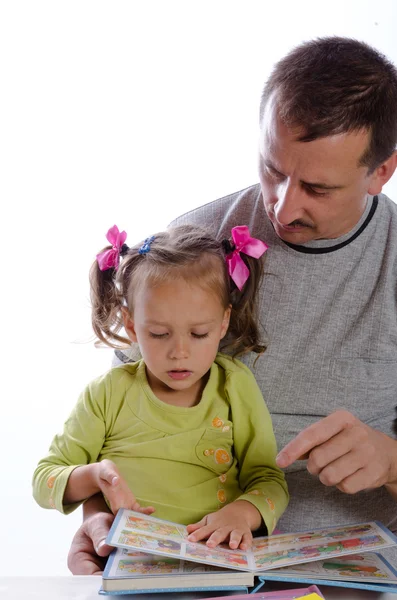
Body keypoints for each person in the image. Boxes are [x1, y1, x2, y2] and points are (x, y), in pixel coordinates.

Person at [67, 35, 397, 575]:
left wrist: (391, 462)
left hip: (351, 573)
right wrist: (99, 520)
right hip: (184, 565)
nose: (283, 206)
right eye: (273, 169)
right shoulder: (193, 243)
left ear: (382, 171)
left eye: (317, 188)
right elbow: (117, 419)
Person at [32, 224, 289, 557]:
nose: (179, 352)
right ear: (130, 325)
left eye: (198, 334)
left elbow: (269, 479)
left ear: (223, 323)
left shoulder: (235, 385)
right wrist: (96, 475)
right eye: (158, 334)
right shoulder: (108, 393)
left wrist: (242, 512)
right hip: (131, 566)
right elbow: (44, 480)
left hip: (219, 565)